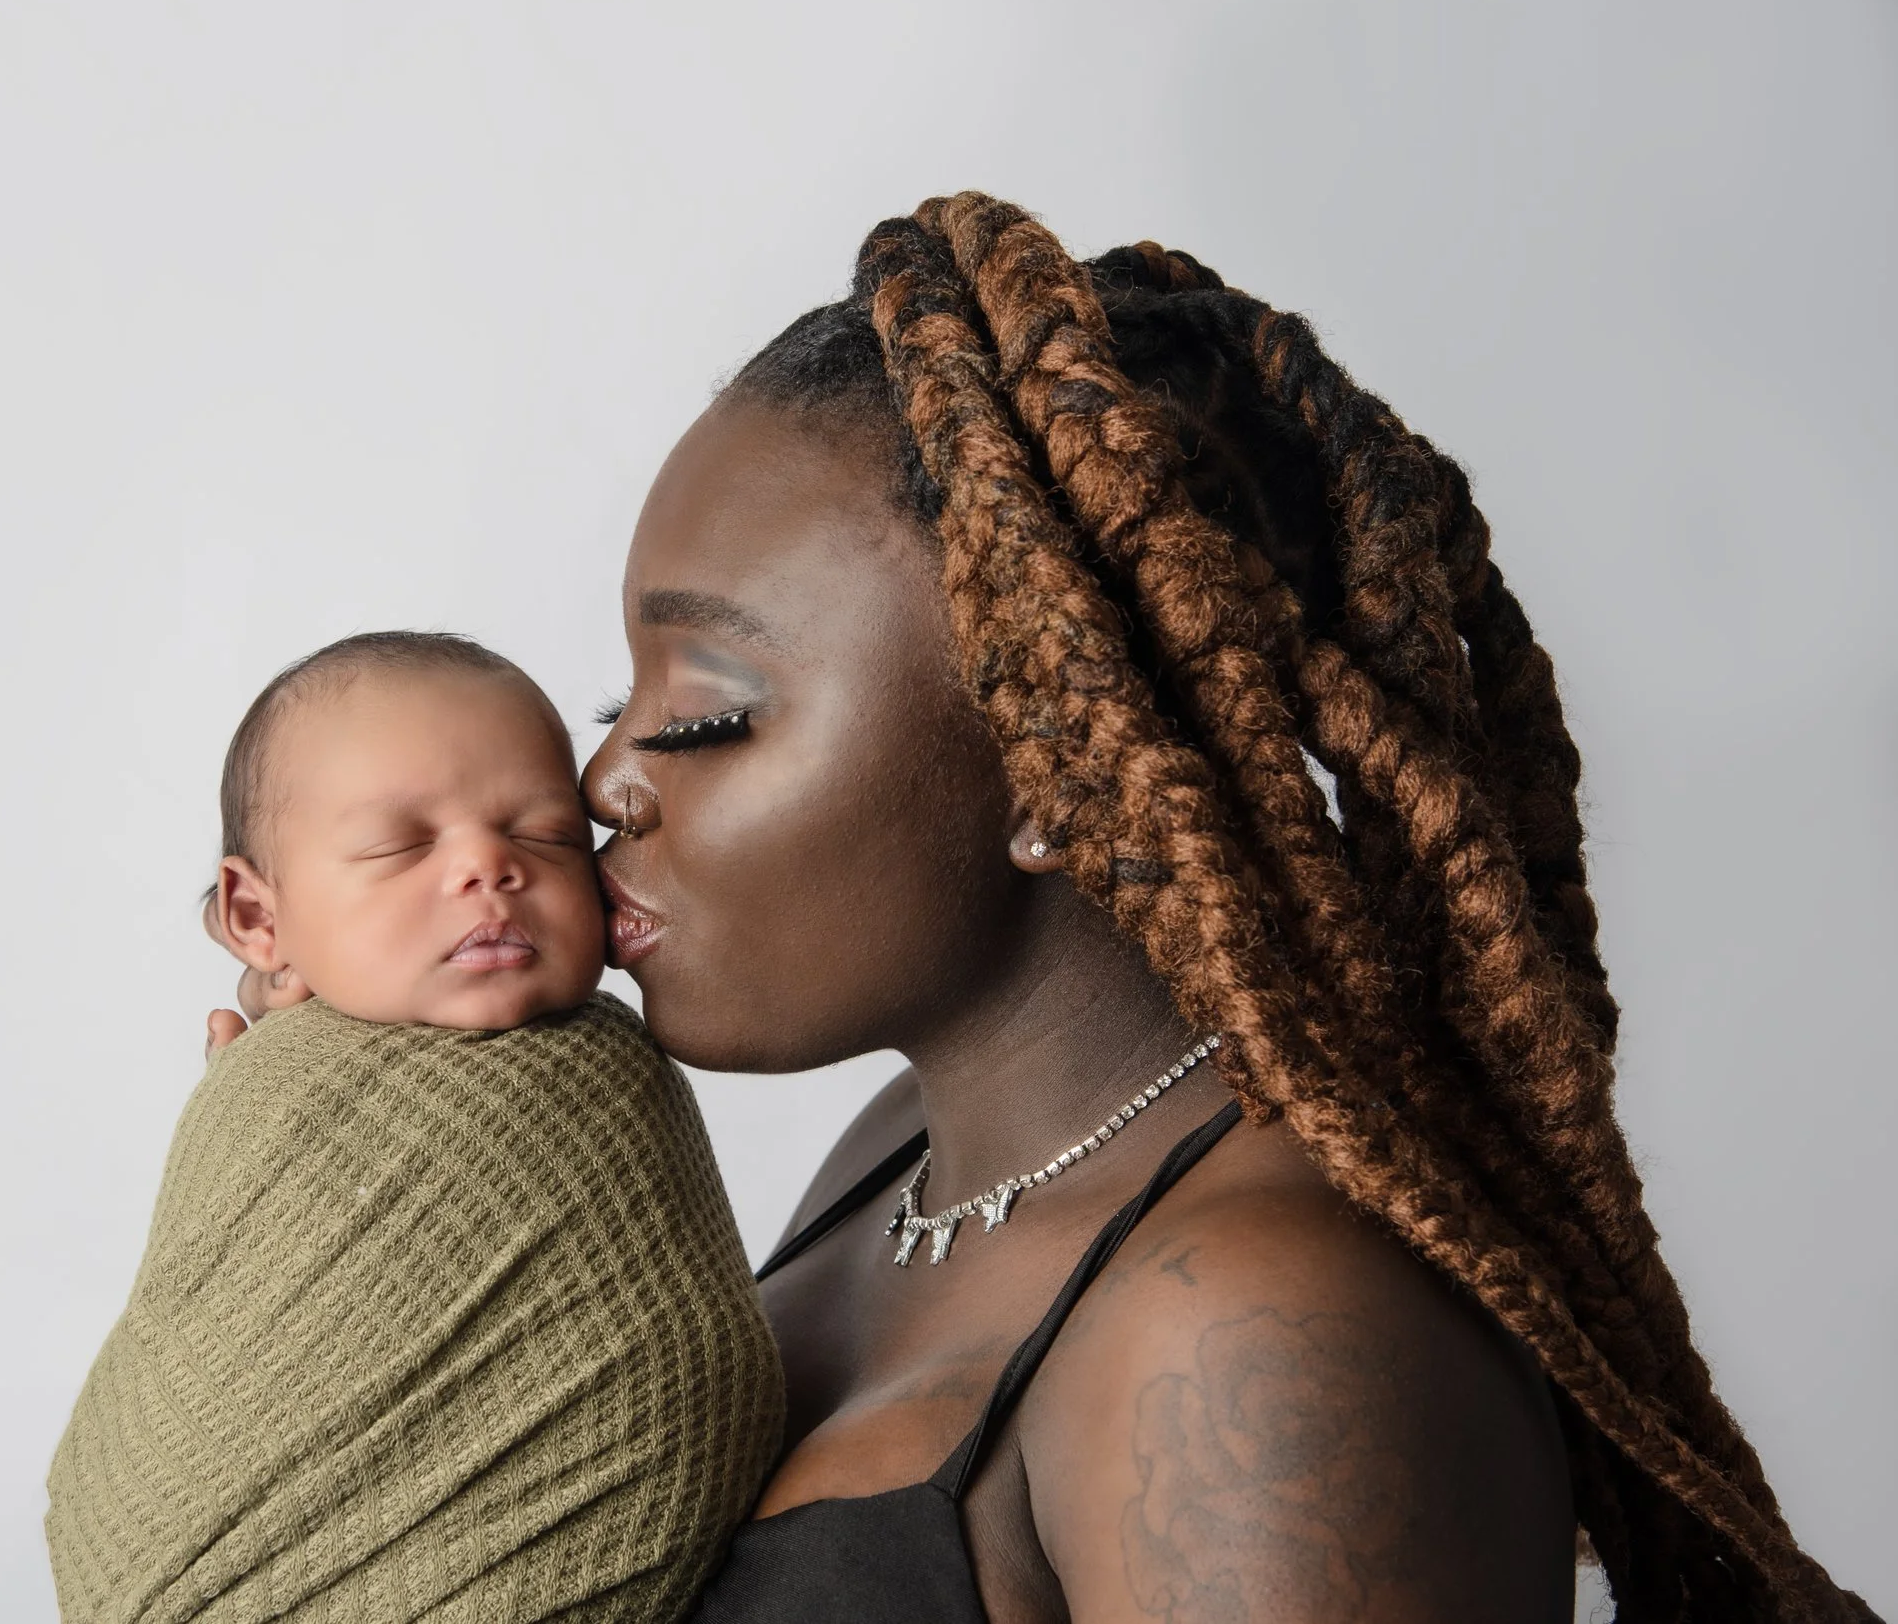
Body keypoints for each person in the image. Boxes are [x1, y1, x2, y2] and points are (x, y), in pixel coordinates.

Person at [545, 195, 1868, 1621]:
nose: (606, 776)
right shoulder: (912, 1156)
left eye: (703, 715)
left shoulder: (1254, 1332)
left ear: (1057, 764)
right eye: (623, 701)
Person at [51, 632, 782, 1623]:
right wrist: (270, 1125)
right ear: (260, 921)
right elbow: (214, 1355)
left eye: (546, 836)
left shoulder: (611, 1080)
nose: (489, 867)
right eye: (402, 846)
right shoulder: (266, 1086)